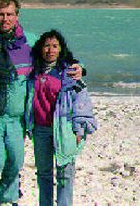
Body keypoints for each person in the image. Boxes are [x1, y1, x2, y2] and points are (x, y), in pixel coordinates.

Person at [0, 0, 83, 205]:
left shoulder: (30, 42)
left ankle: (7, 199)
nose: (5, 19)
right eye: (1, 14)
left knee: (14, 163)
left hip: (18, 119)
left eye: (10, 14)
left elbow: (59, 57)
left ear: (17, 15)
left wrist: (80, 67)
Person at [27, 30, 97, 206]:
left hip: (63, 128)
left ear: (61, 49)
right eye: (46, 46)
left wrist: (79, 128)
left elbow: (82, 99)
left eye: (55, 46)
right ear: (40, 48)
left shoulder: (69, 72)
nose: (50, 50)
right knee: (43, 173)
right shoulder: (32, 71)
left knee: (65, 173)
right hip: (40, 129)